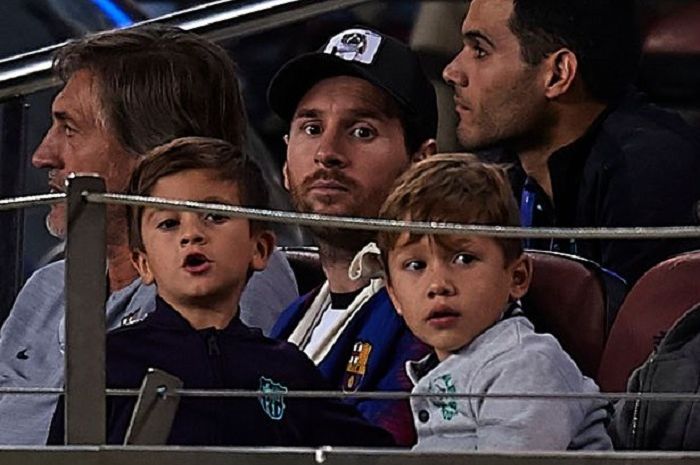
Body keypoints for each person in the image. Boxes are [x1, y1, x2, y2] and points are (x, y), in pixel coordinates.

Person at [0, 24, 298, 445]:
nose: (41, 155)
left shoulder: (225, 274)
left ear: (156, 156)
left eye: (69, 129)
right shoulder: (47, 287)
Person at [47, 137, 394, 446]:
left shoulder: (287, 367)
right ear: (143, 264)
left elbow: (373, 455)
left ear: (259, 249)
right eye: (169, 223)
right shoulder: (110, 362)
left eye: (214, 216)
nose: (191, 235)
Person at [443, 0, 700, 284]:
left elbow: (645, 325)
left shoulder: (650, 173)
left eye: (480, 51)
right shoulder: (495, 167)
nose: (452, 71)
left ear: (558, 74)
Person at [267, 27, 437, 446]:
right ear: (285, 162)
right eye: (311, 128)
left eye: (361, 131)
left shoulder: (437, 312)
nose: (327, 152)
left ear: (421, 162)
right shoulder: (290, 319)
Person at [377, 153, 613, 451]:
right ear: (394, 295)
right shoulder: (437, 369)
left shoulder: (526, 366)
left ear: (517, 277)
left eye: (464, 259)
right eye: (415, 266)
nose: (438, 285)